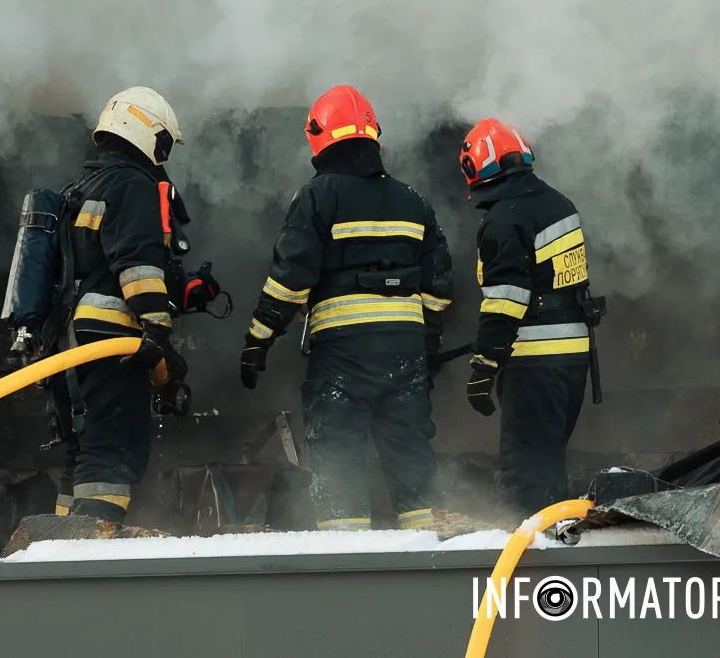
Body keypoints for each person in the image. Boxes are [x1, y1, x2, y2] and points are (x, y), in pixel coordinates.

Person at [239, 85, 453, 531]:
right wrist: (426, 341)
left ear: (319, 136)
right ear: (372, 134)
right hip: (404, 352)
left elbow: (289, 280)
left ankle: (344, 562)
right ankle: (429, 559)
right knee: (410, 454)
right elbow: (438, 284)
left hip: (343, 357)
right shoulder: (412, 200)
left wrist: (257, 341)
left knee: (338, 455)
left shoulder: (318, 197)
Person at [48, 86, 193, 524]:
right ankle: (88, 554)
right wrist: (157, 331)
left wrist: (188, 289)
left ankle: (59, 542)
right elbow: (136, 263)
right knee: (112, 451)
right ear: (145, 132)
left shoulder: (81, 187)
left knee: (82, 452)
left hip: (67, 342)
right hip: (109, 337)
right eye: (164, 144)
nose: (164, 157)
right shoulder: (134, 183)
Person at [458, 117, 594, 519]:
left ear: (475, 166)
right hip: (573, 357)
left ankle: (533, 567)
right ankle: (555, 535)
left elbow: (505, 302)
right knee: (547, 462)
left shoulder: (504, 219)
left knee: (526, 476)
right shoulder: (559, 204)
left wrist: (485, 366)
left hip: (533, 361)